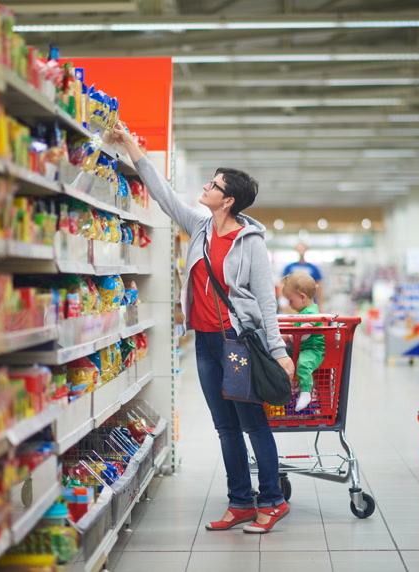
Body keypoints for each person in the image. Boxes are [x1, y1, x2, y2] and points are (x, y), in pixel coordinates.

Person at [112, 122, 294, 534]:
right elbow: (163, 195)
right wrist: (131, 147)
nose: (206, 188)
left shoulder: (251, 243)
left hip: (237, 342)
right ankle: (240, 502)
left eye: (214, 185)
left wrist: (279, 352)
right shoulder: (200, 227)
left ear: (228, 200)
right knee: (224, 426)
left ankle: (272, 499)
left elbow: (266, 301)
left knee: (251, 423)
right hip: (206, 342)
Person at [280, 272, 325, 412]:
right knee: (282, 357)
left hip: (313, 348)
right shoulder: (303, 312)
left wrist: (287, 338)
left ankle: (306, 393)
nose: (289, 304)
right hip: (302, 348)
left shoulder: (311, 313)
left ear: (302, 297)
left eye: (290, 300)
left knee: (304, 364)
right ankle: (286, 388)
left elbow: (304, 335)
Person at [282, 243, 323, 308]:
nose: (301, 251)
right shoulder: (289, 268)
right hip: (293, 305)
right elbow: (283, 285)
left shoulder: (314, 268)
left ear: (306, 249)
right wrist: (283, 302)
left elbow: (319, 287)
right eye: (299, 248)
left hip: (310, 304)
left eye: (303, 248)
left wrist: (320, 305)